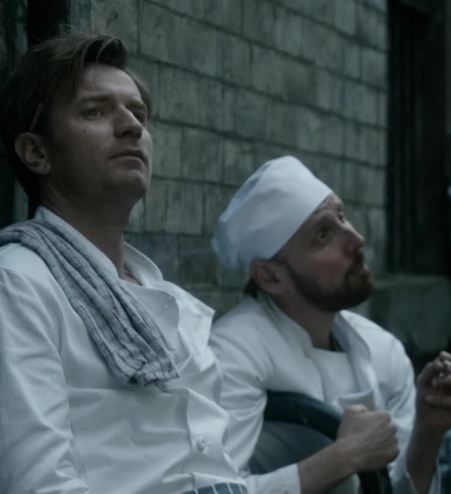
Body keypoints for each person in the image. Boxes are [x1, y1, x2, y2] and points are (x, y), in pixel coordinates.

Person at [0, 33, 266, 493]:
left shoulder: (173, 303)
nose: (131, 127)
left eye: (138, 114)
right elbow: (41, 486)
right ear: (37, 152)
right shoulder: (18, 284)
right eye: (94, 111)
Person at [209, 155, 451, 494]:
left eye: (342, 217)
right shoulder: (233, 354)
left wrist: (428, 431)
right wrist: (343, 458)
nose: (356, 238)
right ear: (271, 277)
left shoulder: (383, 350)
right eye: (323, 234)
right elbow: (216, 489)